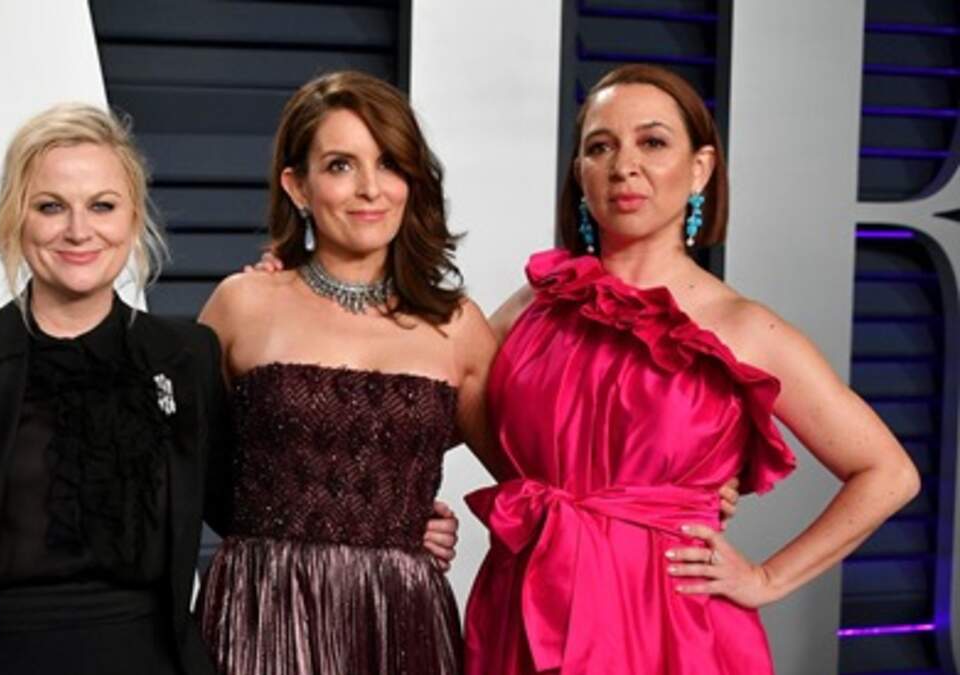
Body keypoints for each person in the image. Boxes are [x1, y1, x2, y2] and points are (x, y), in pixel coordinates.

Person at [464, 64, 921, 674]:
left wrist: (767, 578)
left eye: (653, 142)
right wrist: (409, 515)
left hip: (671, 626)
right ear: (580, 173)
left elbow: (888, 473)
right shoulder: (534, 304)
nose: (625, 166)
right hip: (530, 608)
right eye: (601, 147)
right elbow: (428, 403)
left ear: (700, 168)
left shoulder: (742, 327)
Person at [0, 104, 229, 675]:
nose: (79, 230)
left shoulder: (187, 356)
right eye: (51, 206)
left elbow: (248, 510)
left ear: (133, 219)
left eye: (102, 205)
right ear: (15, 219)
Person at [195, 70, 505, 675]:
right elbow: (177, 473)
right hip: (263, 613)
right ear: (298, 186)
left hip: (400, 620)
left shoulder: (457, 326)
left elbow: (541, 487)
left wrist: (684, 502)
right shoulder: (242, 304)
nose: (370, 189)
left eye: (389, 164)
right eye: (340, 165)